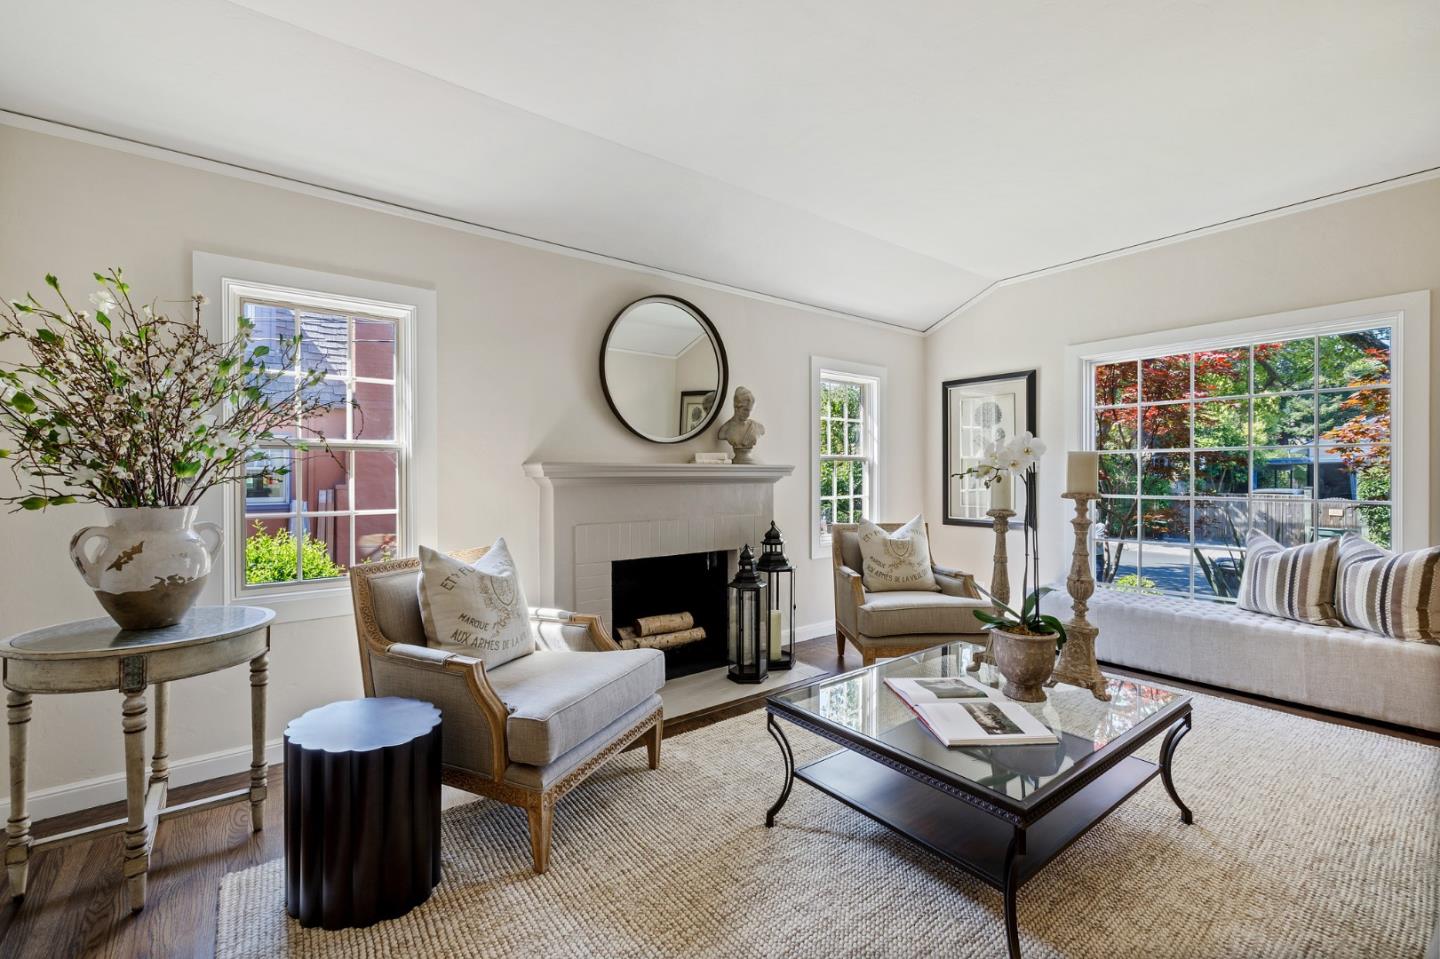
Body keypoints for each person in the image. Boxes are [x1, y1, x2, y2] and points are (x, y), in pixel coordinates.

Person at [717, 386, 765, 463]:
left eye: (751, 410)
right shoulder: (725, 430)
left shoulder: (758, 427)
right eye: (745, 410)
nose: (749, 414)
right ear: (736, 407)